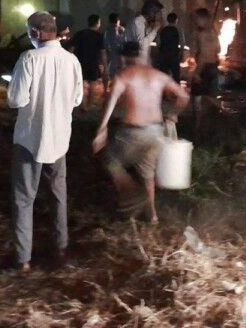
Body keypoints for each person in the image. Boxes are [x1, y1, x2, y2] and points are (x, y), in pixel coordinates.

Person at [7, 11, 83, 272]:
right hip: (59, 139)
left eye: (29, 32)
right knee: (58, 194)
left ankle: (23, 260)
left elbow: (16, 99)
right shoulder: (72, 61)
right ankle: (60, 248)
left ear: (36, 33)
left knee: (23, 199)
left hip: (30, 139)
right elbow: (77, 99)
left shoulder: (29, 58)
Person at [93, 41, 189, 223]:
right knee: (147, 173)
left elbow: (110, 104)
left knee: (110, 160)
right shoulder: (158, 75)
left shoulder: (124, 76)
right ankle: (152, 215)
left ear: (125, 58)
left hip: (133, 133)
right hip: (156, 133)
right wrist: (172, 113)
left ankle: (132, 194)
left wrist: (102, 130)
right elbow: (183, 96)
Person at [190, 7, 221, 128]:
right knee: (212, 97)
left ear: (203, 19)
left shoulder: (200, 34)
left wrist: (197, 73)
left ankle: (197, 127)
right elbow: (218, 49)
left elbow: (203, 55)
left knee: (197, 99)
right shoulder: (214, 33)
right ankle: (215, 125)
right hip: (213, 68)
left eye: (196, 18)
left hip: (203, 69)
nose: (195, 21)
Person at [70, 15, 106, 111]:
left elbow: (71, 48)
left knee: (81, 84)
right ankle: (89, 105)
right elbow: (103, 52)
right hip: (93, 63)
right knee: (93, 85)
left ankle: (83, 105)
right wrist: (105, 65)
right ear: (97, 23)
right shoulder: (99, 36)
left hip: (80, 62)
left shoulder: (80, 34)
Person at [125, 0, 163, 64]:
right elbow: (142, 44)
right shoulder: (138, 21)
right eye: (158, 13)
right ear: (151, 12)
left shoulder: (145, 22)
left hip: (142, 60)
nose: (160, 16)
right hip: (137, 61)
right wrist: (155, 30)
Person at [157, 12, 184, 83]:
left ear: (167, 20)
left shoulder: (162, 30)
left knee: (163, 76)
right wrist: (181, 54)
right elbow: (182, 43)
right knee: (176, 77)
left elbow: (158, 43)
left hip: (163, 55)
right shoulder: (179, 30)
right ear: (176, 20)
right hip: (174, 55)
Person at [103, 12, 125, 94]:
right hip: (113, 55)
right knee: (111, 73)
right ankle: (108, 89)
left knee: (116, 73)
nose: (117, 24)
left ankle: (112, 89)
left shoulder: (121, 30)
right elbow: (106, 46)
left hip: (118, 55)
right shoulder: (108, 31)